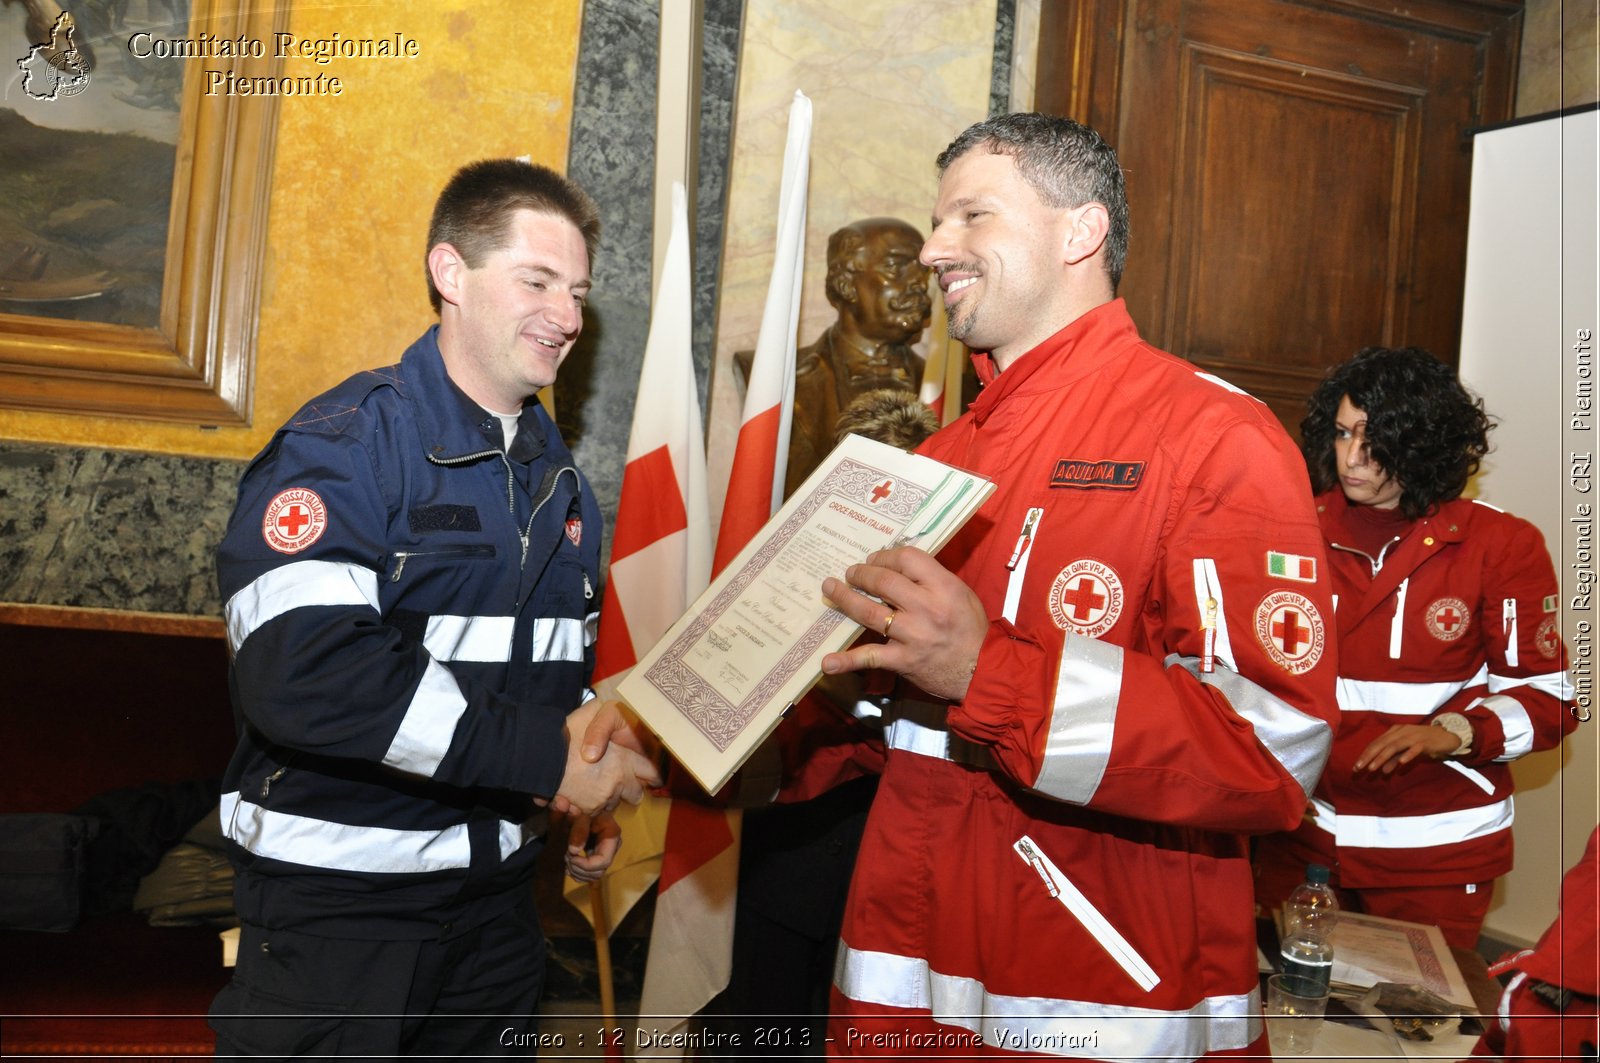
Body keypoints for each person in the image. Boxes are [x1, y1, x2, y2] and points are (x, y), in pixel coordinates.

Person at [816, 112, 1338, 1059]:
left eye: (971, 216)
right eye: (940, 221)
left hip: (1094, 990)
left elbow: (1271, 752)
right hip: (901, 970)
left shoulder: (1213, 436)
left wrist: (988, 675)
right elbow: (894, 728)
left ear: (1080, 232)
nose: (935, 249)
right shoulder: (938, 456)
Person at [209, 159, 659, 1057]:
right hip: (339, 915)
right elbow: (305, 671)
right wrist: (546, 758)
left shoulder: (560, 481)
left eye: (577, 291)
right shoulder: (344, 447)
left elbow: (532, 683)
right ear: (449, 273)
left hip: (495, 911)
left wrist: (578, 794)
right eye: (536, 280)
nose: (568, 316)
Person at [1253, 346, 1577, 949]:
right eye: (1344, 433)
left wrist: (1453, 731)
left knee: (1414, 1035)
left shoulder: (1501, 545)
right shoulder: (1291, 527)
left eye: (1376, 443)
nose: (1351, 458)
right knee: (1293, 1023)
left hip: (1436, 853)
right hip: (1302, 841)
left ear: (1423, 446)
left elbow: (1550, 702)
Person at [739, 217, 931, 497]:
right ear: (845, 285)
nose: (918, 283)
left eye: (922, 272)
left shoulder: (951, 388)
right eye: (894, 267)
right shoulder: (776, 381)